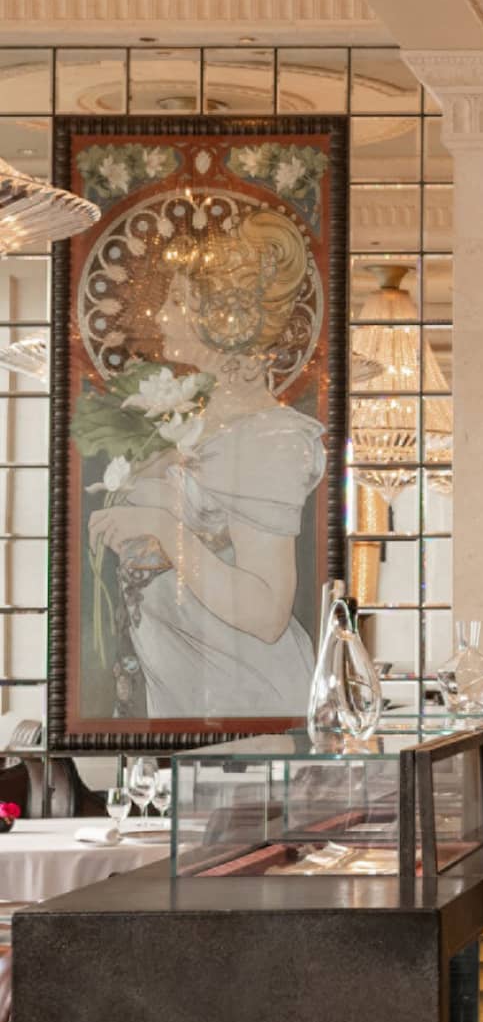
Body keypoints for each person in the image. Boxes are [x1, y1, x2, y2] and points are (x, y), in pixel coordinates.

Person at [86, 207, 326, 719]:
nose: (161, 315)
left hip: (249, 705)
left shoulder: (267, 440)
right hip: (189, 699)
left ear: (225, 321)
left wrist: (159, 526)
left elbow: (266, 613)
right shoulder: (195, 424)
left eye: (177, 301)